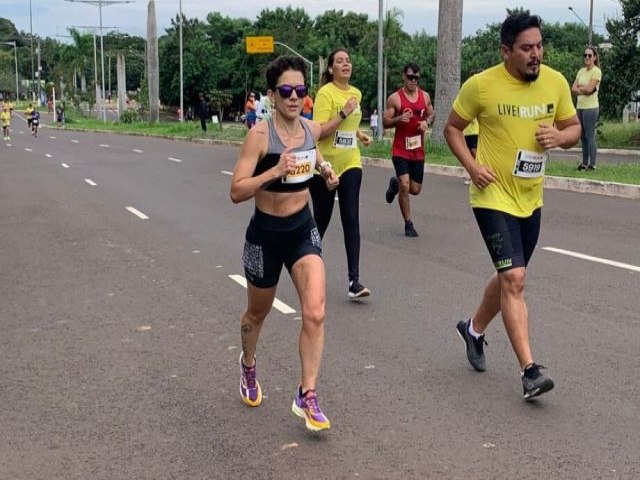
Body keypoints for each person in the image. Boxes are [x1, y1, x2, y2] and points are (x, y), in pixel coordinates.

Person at [443, 13, 581, 400]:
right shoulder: (482, 86)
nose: (535, 54)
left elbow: (574, 129)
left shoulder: (554, 82)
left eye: (539, 46)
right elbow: (452, 127)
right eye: (526, 48)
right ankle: (530, 371)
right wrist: (472, 167)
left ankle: (472, 330)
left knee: (508, 277)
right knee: (515, 278)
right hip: (492, 194)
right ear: (506, 51)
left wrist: (559, 136)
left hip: (530, 196)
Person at [229, 55, 339, 432]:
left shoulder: (309, 128)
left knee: (316, 311)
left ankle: (307, 394)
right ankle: (247, 363)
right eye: (287, 91)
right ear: (273, 95)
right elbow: (236, 191)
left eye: (301, 91)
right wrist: (274, 171)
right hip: (265, 235)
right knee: (257, 314)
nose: (295, 98)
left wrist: (324, 169)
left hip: (301, 227)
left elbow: (313, 151)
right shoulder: (259, 136)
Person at [311, 48, 372, 299]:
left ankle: (354, 281)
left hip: (350, 162)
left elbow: (350, 125)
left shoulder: (356, 93)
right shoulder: (325, 94)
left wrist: (359, 134)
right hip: (324, 167)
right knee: (321, 222)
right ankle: (308, 269)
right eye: (340, 61)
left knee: (351, 217)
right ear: (331, 69)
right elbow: (320, 132)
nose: (345, 64)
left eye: (348, 60)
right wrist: (344, 112)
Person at [383, 63, 434, 237]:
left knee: (415, 189)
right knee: (406, 185)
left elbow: (431, 114)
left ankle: (395, 184)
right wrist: (399, 118)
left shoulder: (425, 96)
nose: (413, 81)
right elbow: (385, 122)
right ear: (403, 76)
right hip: (400, 150)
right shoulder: (395, 98)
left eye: (416, 78)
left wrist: (427, 122)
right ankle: (408, 224)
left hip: (417, 150)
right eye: (410, 77)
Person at [572, 46, 602, 171]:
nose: (587, 58)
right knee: (582, 136)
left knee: (590, 135)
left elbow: (591, 89)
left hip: (591, 107)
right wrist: (584, 90)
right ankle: (584, 163)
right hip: (580, 106)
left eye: (590, 55)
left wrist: (582, 89)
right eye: (585, 55)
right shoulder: (581, 71)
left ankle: (592, 164)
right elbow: (573, 88)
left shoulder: (596, 71)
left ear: (594, 57)